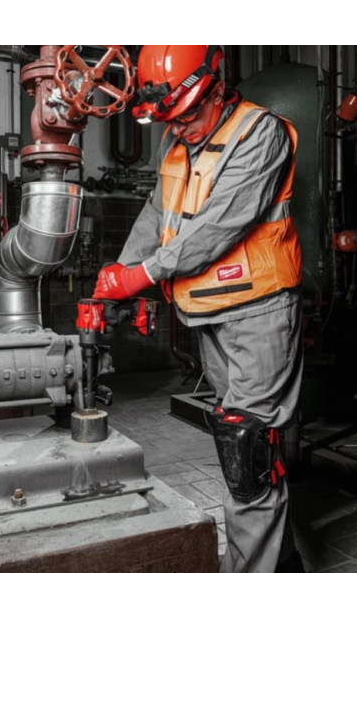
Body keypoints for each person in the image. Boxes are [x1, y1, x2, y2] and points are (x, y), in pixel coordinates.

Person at [92, 45, 303, 573]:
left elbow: (220, 225)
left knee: (246, 449)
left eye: (187, 115)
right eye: (169, 119)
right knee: (246, 449)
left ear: (216, 88)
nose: (179, 128)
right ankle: (283, 562)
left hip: (258, 314)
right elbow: (156, 213)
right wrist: (119, 277)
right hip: (208, 316)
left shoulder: (261, 133)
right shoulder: (177, 141)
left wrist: (143, 275)